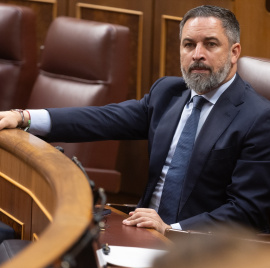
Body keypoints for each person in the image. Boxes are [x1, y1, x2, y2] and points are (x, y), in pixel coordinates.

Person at [1, 5, 270, 235]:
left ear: (234, 52)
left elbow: (248, 210)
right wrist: (24, 117)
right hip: (139, 231)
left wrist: (171, 230)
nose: (197, 54)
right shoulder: (167, 93)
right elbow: (102, 119)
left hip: (197, 248)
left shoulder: (258, 118)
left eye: (210, 44)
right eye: (189, 44)